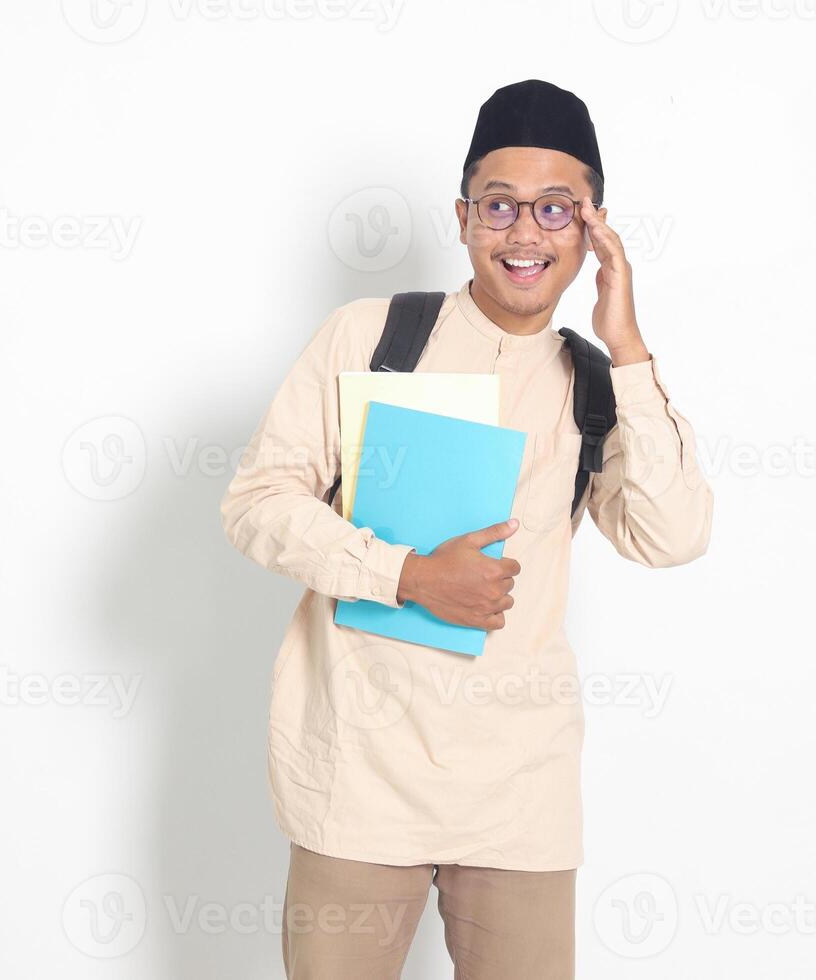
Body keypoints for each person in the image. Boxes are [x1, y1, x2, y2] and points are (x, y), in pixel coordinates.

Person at [219, 78, 714, 980]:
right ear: (462, 216)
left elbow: (671, 535)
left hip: (516, 801)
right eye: (500, 205)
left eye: (555, 209)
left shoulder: (600, 385)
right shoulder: (371, 338)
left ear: (593, 225)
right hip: (359, 786)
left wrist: (630, 346)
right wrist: (403, 574)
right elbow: (256, 503)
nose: (526, 232)